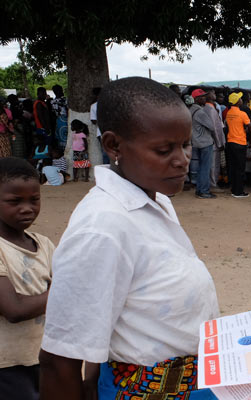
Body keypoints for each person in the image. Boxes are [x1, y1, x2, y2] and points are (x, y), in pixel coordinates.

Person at [39, 77, 219, 400]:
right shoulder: (103, 227)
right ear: (113, 146)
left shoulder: (155, 199)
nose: (182, 159)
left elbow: (109, 314)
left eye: (185, 144)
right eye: (164, 150)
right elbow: (59, 362)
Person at [0, 157, 55, 400]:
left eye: (34, 199)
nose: (27, 208)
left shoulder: (44, 245)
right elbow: (14, 309)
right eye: (14, 201)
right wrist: (60, 291)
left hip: (44, 356)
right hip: (7, 366)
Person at [189, 88, 217, 199]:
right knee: (205, 167)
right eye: (202, 97)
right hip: (205, 142)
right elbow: (211, 126)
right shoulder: (200, 112)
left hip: (196, 141)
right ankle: (204, 191)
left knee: (201, 167)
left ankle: (199, 190)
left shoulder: (191, 109)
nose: (204, 98)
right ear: (196, 99)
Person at [226, 92, 251, 198]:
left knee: (233, 167)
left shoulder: (228, 113)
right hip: (240, 142)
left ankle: (234, 189)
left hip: (230, 141)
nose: (242, 100)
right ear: (237, 102)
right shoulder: (242, 114)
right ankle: (239, 191)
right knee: (240, 168)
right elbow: (250, 127)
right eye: (240, 99)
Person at [204, 91, 226, 193]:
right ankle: (213, 184)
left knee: (213, 164)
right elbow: (215, 128)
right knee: (214, 165)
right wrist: (219, 142)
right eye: (213, 94)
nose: (215, 95)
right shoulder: (210, 109)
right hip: (214, 142)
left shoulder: (211, 108)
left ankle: (213, 183)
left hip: (212, 141)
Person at [51, 85, 68, 150]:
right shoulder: (65, 100)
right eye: (61, 90)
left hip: (58, 121)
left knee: (60, 137)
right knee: (65, 136)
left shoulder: (52, 102)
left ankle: (62, 152)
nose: (62, 91)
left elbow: (52, 114)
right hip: (65, 120)